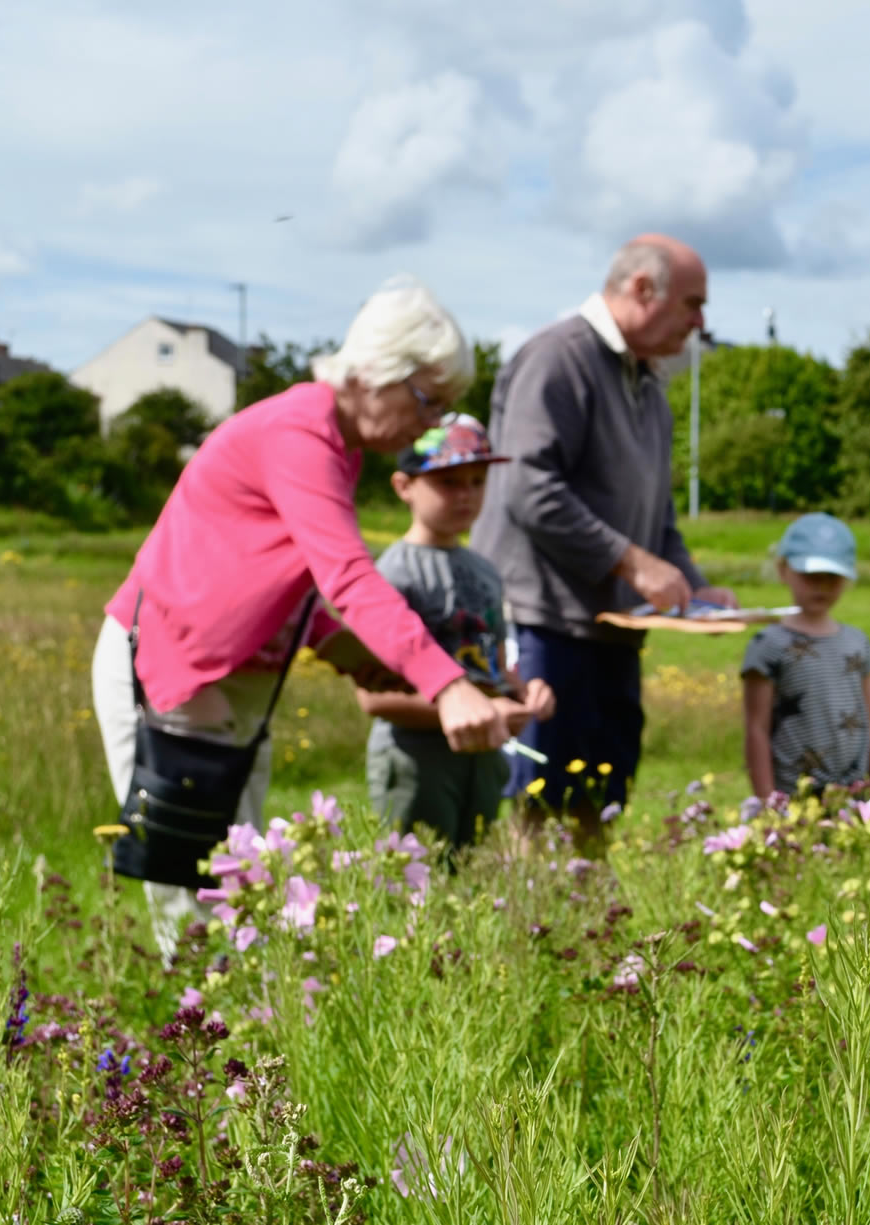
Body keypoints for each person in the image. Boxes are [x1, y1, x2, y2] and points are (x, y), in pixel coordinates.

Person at [92, 278, 511, 960]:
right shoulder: (300, 432)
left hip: (231, 682)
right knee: (196, 885)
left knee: (244, 878)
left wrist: (334, 642)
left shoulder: (336, 445)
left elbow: (281, 567)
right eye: (427, 401)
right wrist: (447, 682)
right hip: (168, 671)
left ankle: (247, 1043)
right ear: (378, 374)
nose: (427, 424)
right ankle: (199, 1044)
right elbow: (346, 572)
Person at [474, 236, 736, 846]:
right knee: (534, 807)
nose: (701, 322)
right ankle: (525, 930)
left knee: (603, 799)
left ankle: (584, 932)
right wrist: (630, 562)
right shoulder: (557, 359)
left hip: (611, 631)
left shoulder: (650, 386)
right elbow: (528, 488)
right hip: (542, 625)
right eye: (692, 303)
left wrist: (695, 589)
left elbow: (657, 516)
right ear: (643, 289)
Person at [358, 413, 557, 849]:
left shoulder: (484, 571)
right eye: (448, 482)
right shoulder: (392, 573)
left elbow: (497, 666)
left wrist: (525, 694)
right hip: (415, 760)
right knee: (415, 888)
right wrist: (467, 712)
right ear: (404, 486)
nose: (465, 495)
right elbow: (373, 696)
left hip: (483, 759)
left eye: (476, 481)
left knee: (470, 885)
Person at [741, 514, 870, 799]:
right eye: (811, 576)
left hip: (856, 798)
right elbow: (756, 729)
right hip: (794, 799)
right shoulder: (768, 645)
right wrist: (767, 801)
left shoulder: (857, 642)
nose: (821, 585)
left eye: (832, 577)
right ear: (783, 570)